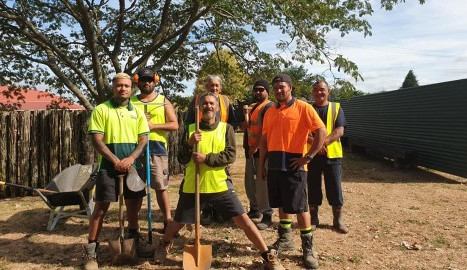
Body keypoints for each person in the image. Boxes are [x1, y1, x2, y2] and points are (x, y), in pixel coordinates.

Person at [154, 93, 284, 270]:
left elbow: (230, 155)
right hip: (194, 185)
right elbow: (182, 159)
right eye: (205, 104)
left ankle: (267, 255)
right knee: (178, 222)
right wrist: (189, 143)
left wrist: (206, 158)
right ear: (200, 108)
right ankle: (164, 245)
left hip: (219, 185)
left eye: (211, 103)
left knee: (244, 221)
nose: (208, 106)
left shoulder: (226, 129)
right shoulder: (191, 128)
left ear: (217, 107)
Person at [258, 74, 327, 269]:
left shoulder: (304, 108)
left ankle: (308, 247)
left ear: (291, 87)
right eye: (276, 87)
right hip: (274, 165)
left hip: (295, 165)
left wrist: (309, 156)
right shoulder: (270, 111)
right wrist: (263, 164)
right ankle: (285, 238)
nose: (279, 90)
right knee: (281, 203)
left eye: (282, 87)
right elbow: (264, 141)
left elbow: (321, 131)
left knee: (300, 207)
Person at [83, 73, 149, 270]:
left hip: (133, 167)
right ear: (113, 88)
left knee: (134, 205)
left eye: (126, 86)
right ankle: (90, 252)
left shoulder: (136, 112)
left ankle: (133, 242)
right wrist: (114, 160)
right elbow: (97, 139)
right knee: (100, 208)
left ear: (131, 89)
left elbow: (143, 139)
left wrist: (131, 159)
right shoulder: (101, 110)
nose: (123, 89)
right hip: (107, 168)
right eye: (119, 85)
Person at [131, 68, 179, 233]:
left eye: (150, 80)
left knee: (160, 187)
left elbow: (174, 124)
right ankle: (133, 225)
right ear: (137, 81)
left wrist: (153, 126)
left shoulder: (163, 101)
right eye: (143, 80)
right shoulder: (131, 102)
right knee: (135, 188)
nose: (146, 82)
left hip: (156, 148)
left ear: (155, 81)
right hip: (135, 149)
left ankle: (168, 220)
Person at [185, 75, 238, 225]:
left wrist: (227, 133)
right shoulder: (197, 100)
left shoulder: (226, 101)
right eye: (211, 85)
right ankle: (207, 211)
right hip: (201, 140)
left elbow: (233, 119)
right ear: (206, 87)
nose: (214, 88)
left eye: (217, 86)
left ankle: (221, 211)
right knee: (204, 179)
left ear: (220, 88)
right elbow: (188, 120)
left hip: (222, 141)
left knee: (222, 178)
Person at [307, 80, 349, 234]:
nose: (319, 92)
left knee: (334, 187)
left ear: (328, 91)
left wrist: (322, 143)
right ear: (313, 92)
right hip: (312, 155)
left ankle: (337, 221)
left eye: (322, 90)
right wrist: (316, 145)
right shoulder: (308, 109)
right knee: (312, 186)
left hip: (333, 155)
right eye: (316, 90)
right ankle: (313, 218)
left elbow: (339, 130)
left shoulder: (336, 108)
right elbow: (302, 131)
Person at [242, 80, 274, 230]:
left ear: (267, 92)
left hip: (262, 151)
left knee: (263, 184)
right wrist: (245, 116)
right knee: (250, 182)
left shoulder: (269, 107)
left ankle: (267, 215)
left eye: (261, 90)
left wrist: (255, 147)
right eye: (255, 90)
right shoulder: (253, 107)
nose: (258, 92)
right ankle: (255, 209)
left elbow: (265, 131)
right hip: (250, 150)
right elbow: (245, 127)